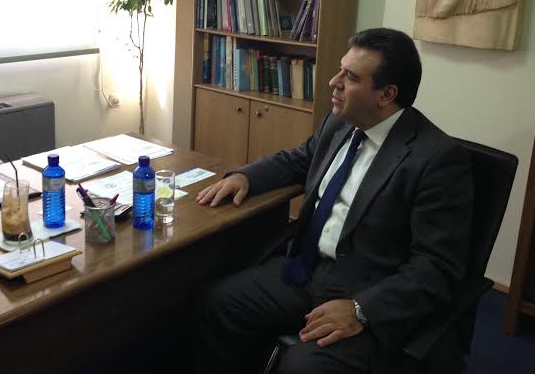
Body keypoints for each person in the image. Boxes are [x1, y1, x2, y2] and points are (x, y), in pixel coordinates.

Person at [194, 28, 474, 374]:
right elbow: (298, 160)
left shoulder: (436, 159)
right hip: (308, 269)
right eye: (341, 70)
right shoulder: (341, 122)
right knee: (218, 303)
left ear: (386, 94)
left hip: (367, 288)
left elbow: (437, 267)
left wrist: (362, 310)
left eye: (350, 77)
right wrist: (245, 176)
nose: (333, 81)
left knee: (302, 368)